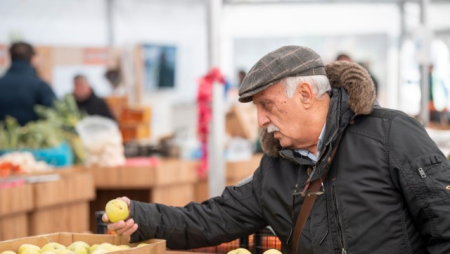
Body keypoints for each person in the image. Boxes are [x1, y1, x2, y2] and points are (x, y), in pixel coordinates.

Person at [103, 46, 450, 254]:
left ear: (305, 95)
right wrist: (143, 218)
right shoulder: (275, 171)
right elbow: (210, 220)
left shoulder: (389, 135)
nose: (259, 121)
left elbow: (444, 223)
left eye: (267, 105)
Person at [0, 41, 56, 125]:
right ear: (32, 59)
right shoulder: (41, 86)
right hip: (34, 137)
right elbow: (54, 114)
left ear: (11, 57)